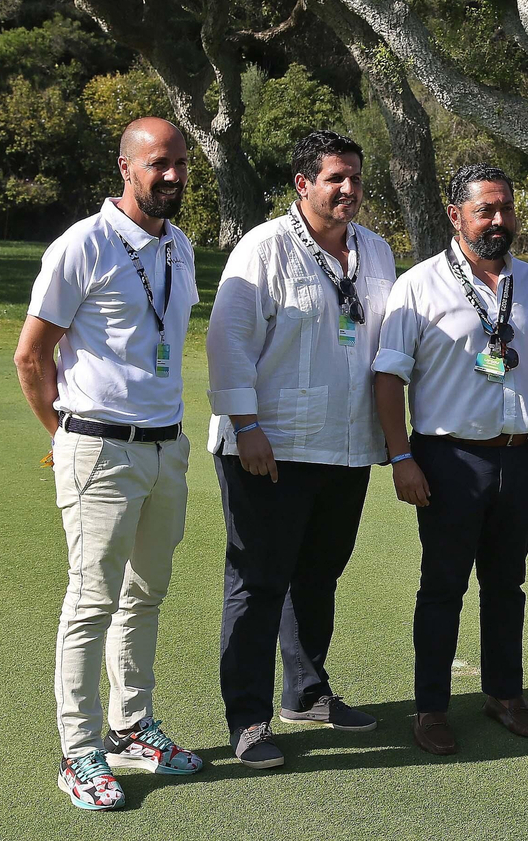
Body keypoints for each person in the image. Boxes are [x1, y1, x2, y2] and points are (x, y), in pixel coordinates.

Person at [13, 118, 204, 811]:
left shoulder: (179, 245)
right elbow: (31, 357)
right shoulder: (83, 245)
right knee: (92, 601)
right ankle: (80, 751)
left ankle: (131, 727)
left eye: (181, 163)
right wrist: (65, 435)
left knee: (144, 595)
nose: (174, 175)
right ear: (126, 167)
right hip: (97, 446)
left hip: (165, 447)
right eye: (160, 164)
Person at [206, 130, 399, 769]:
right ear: (303, 184)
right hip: (271, 446)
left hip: (346, 446)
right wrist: (247, 426)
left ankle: (308, 693)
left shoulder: (375, 251)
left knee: (319, 576)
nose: (348, 190)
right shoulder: (263, 247)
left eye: (355, 179)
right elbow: (228, 342)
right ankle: (249, 719)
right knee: (259, 582)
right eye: (335, 178)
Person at [373, 164, 528, 756]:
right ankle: (431, 707)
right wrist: (401, 457)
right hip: (449, 459)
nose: (498, 221)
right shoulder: (420, 285)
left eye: (505, 208)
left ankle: (504, 693)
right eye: (485, 210)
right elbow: (389, 377)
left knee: (507, 583)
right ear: (455, 216)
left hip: (521, 457)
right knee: (443, 587)